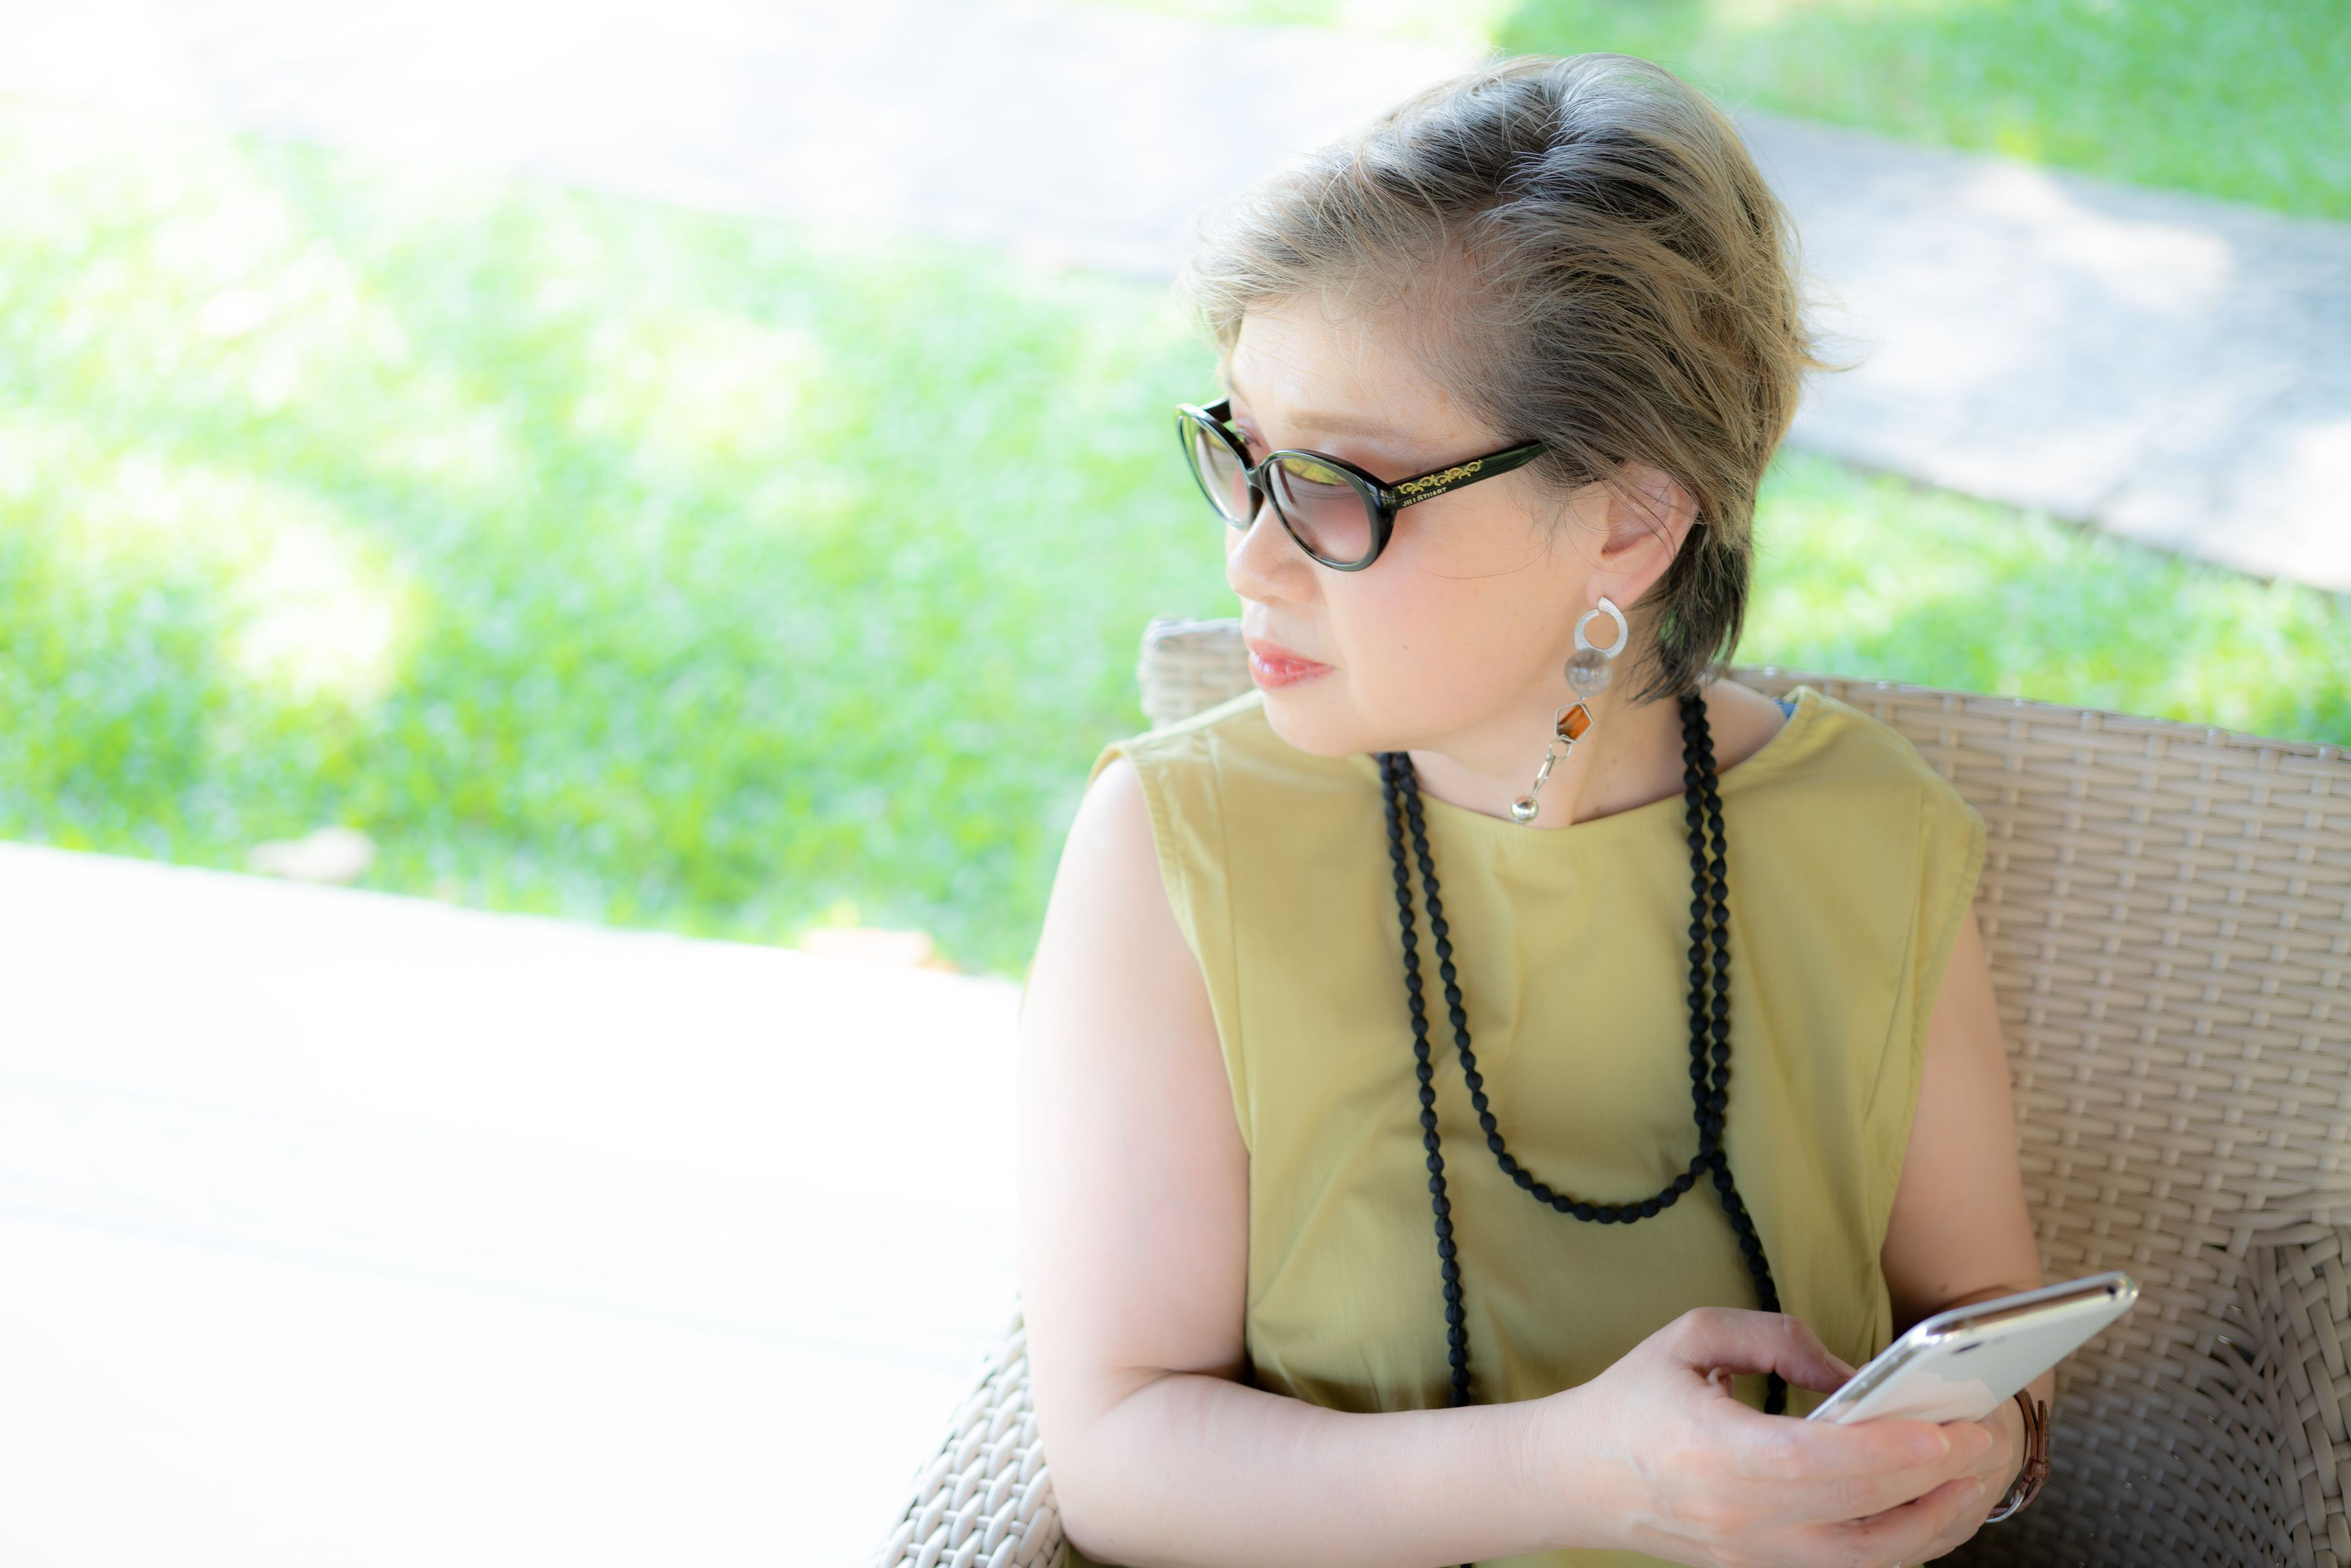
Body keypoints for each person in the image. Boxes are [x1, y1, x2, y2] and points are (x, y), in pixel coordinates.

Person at [1016, 53, 2048, 1568]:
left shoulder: (1876, 836)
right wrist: (1575, 1477)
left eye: (1337, 484)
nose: (1249, 553)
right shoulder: (1177, 847)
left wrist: (1982, 1451)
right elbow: (1118, 1456)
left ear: (1629, 519)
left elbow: (1989, 1331)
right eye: (1243, 453)